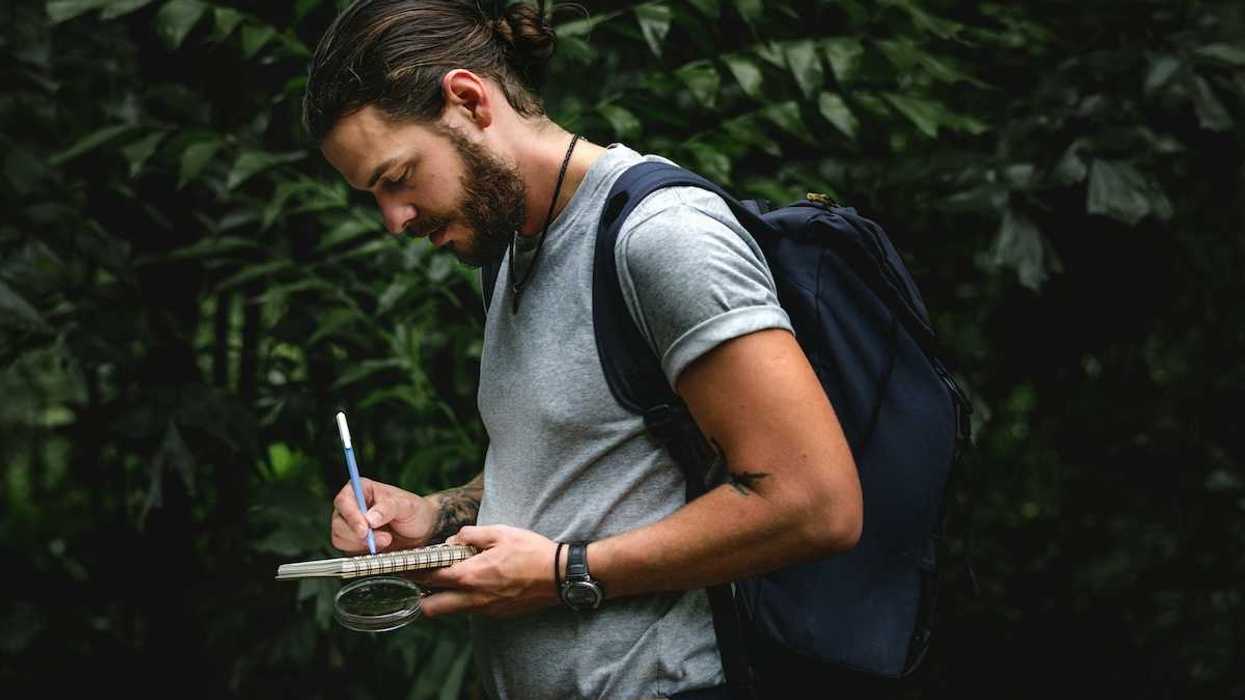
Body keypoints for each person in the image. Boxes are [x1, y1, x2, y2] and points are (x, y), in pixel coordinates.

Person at [305, 1, 863, 698]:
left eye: (396, 178)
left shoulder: (662, 237)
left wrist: (562, 573)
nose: (393, 220)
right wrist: (435, 515)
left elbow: (815, 504)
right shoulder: (509, 250)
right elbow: (586, 465)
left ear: (469, 101)